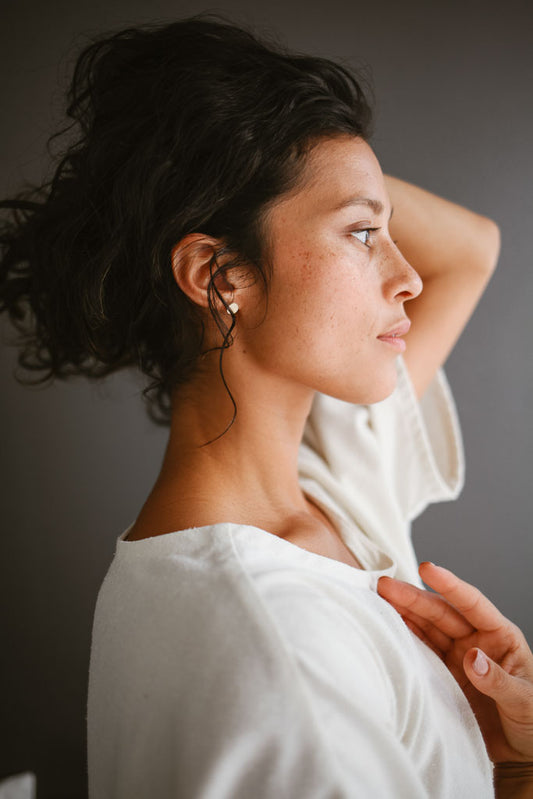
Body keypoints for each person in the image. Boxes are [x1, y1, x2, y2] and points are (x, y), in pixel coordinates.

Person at [1, 14, 532, 798]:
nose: (408, 277)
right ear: (220, 277)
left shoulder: (331, 474)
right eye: (362, 234)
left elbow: (471, 248)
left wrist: (513, 763)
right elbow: (466, 252)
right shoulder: (278, 656)